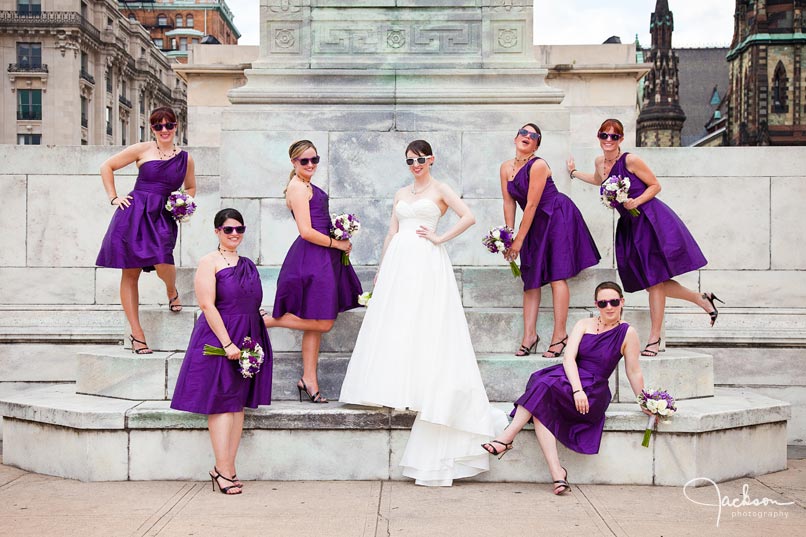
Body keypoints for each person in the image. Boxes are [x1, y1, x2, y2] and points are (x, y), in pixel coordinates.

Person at [340, 140, 508, 487]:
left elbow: (469, 216)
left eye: (420, 159)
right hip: (400, 262)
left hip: (427, 262)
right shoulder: (401, 192)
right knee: (397, 323)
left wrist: (439, 237)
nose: (415, 165)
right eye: (410, 160)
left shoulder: (441, 188)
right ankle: (393, 388)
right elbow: (391, 231)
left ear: (431, 159)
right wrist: (382, 268)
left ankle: (423, 390)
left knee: (426, 322)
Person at [566, 118, 722, 356]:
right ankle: (702, 298)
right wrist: (574, 173)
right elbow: (599, 180)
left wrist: (635, 201)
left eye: (614, 136)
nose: (608, 140)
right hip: (629, 225)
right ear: (598, 137)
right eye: (604, 135)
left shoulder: (630, 160)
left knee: (655, 281)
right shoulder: (600, 162)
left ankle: (654, 338)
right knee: (652, 283)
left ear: (621, 139)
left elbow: (655, 185)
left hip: (649, 221)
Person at [482, 281, 648, 495]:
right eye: (603, 303)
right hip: (571, 379)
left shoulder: (628, 333)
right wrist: (577, 389)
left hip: (594, 390)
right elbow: (568, 358)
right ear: (596, 304)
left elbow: (634, 371)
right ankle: (557, 474)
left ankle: (506, 437)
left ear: (622, 302)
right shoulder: (583, 324)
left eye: (614, 302)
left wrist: (644, 401)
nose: (609, 307)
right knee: (543, 392)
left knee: (543, 391)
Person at [171, 208, 273, 495]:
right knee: (221, 403)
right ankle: (221, 468)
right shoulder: (209, 262)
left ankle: (226, 468)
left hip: (248, 338)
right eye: (229, 230)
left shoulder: (248, 264)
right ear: (217, 231)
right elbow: (207, 304)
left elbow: (249, 299)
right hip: (219, 337)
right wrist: (227, 343)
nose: (235, 234)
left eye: (240, 229)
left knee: (237, 404)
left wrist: (256, 315)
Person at [263, 140, 362, 403]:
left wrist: (340, 241)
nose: (310, 165)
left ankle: (309, 379)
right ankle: (270, 320)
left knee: (315, 323)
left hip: (324, 256)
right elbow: (306, 231)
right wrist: (336, 243)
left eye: (314, 160)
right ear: (294, 162)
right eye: (304, 161)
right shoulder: (297, 187)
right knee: (325, 321)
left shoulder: (305, 185)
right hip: (311, 258)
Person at [96, 106, 196, 354]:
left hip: (162, 215)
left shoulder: (186, 158)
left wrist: (182, 202)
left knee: (164, 261)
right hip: (133, 213)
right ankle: (137, 334)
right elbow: (106, 167)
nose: (164, 130)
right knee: (130, 274)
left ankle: (171, 290)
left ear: (176, 126)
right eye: (158, 126)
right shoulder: (142, 149)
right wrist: (114, 198)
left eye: (169, 125)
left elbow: (191, 187)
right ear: (152, 128)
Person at [501, 123, 601, 358]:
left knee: (557, 275)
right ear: (515, 137)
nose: (527, 136)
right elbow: (509, 203)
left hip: (556, 216)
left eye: (533, 135)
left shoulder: (538, 165)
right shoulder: (506, 168)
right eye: (523, 133)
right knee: (530, 279)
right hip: (533, 222)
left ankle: (560, 336)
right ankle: (529, 336)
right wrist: (508, 235)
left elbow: (533, 203)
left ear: (537, 144)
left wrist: (519, 240)